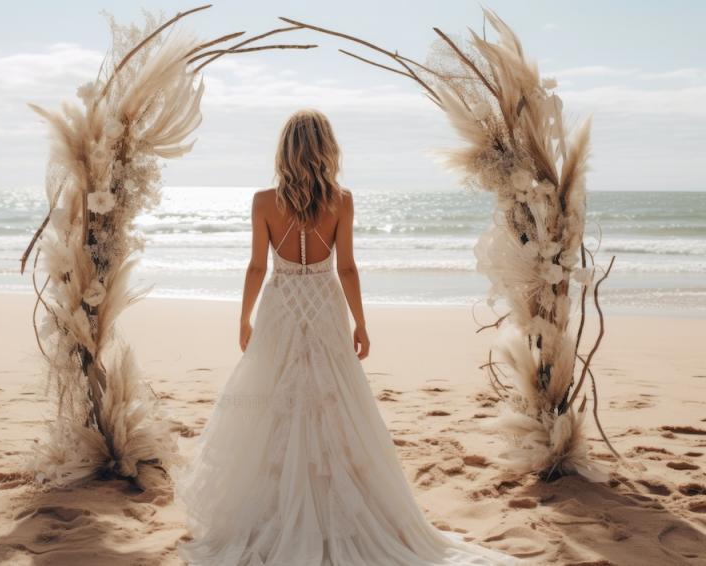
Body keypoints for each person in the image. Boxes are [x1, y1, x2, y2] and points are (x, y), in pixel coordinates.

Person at [177, 109, 518, 565]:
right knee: (332, 397)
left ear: (284, 151)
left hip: (280, 307)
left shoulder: (262, 202)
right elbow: (347, 268)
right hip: (324, 306)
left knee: (274, 397)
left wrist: (244, 318)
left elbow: (258, 266)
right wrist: (360, 322)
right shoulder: (342, 200)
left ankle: (272, 510)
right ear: (326, 150)